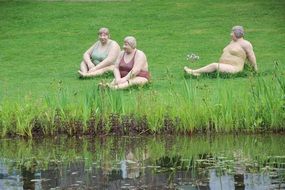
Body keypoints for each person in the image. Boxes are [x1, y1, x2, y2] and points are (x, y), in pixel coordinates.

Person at [184, 26, 257, 76]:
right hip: (225, 67)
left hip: (234, 68)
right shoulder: (232, 42)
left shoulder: (246, 44)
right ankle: (200, 74)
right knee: (215, 66)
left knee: (214, 65)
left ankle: (194, 72)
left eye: (232, 32)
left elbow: (251, 56)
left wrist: (255, 70)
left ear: (235, 33)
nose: (230, 34)